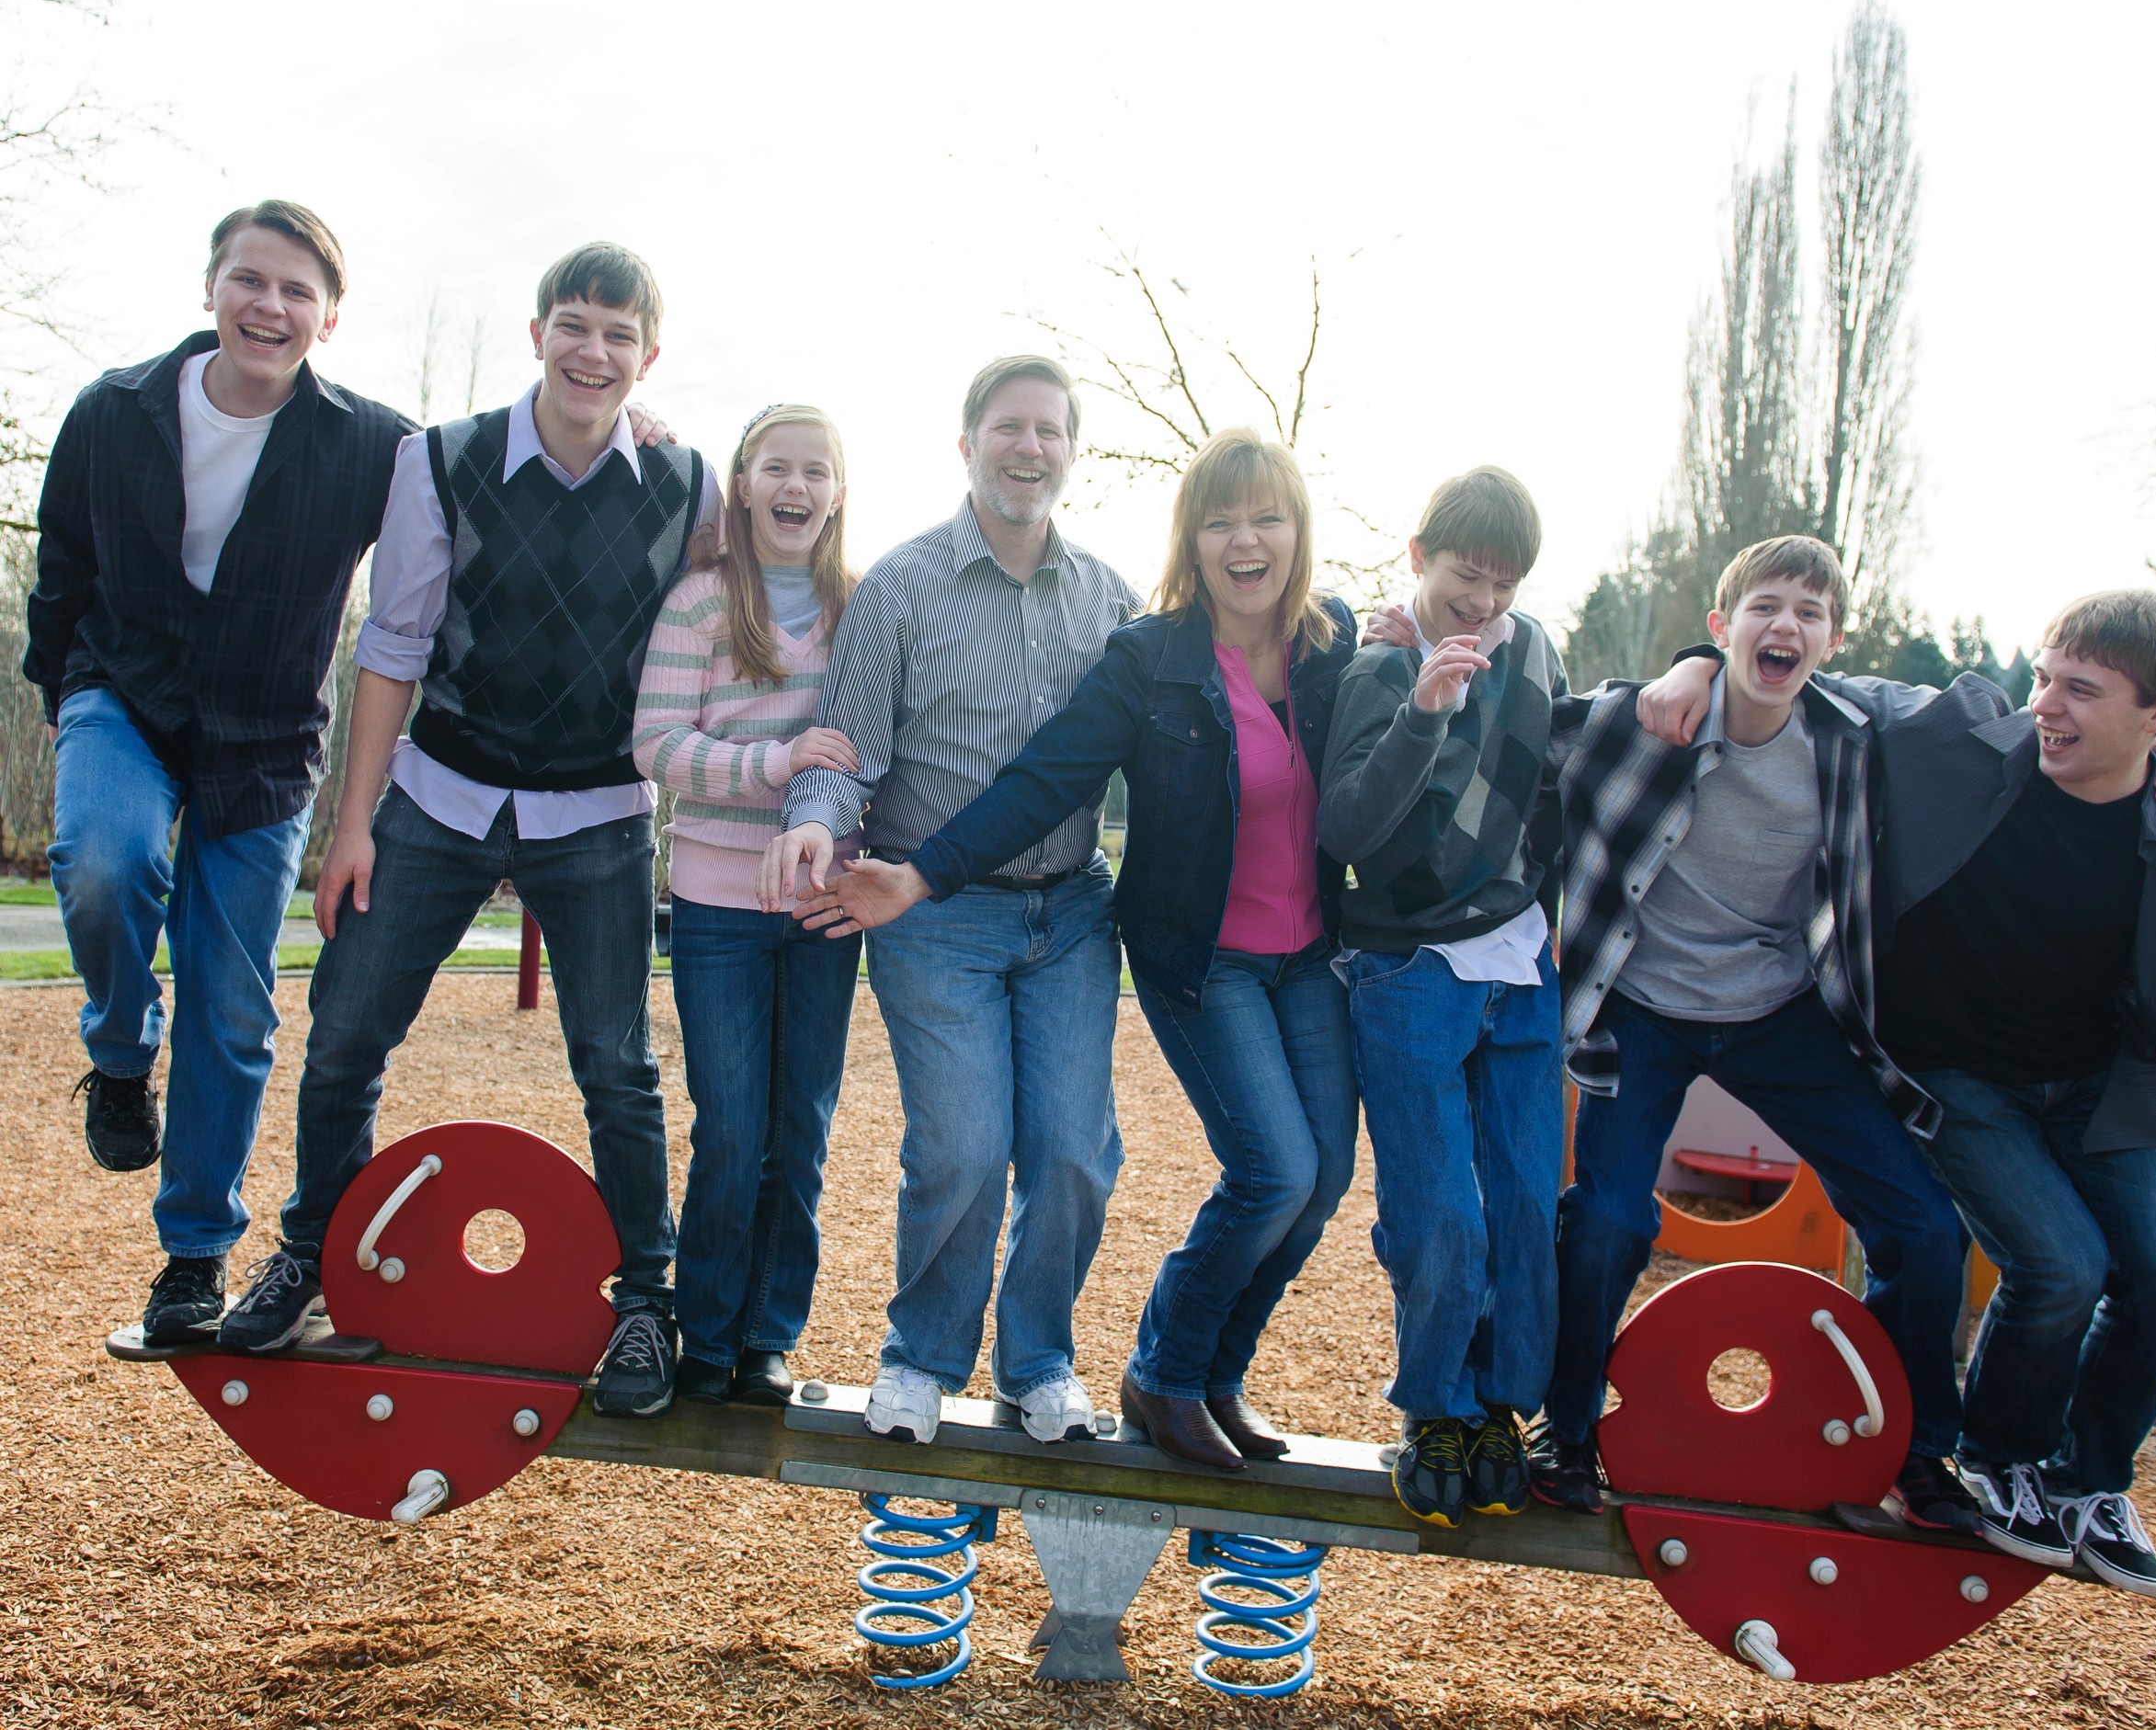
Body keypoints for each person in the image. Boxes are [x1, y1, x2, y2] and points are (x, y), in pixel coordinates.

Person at [1650, 588, 2156, 1595]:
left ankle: (2086, 1479)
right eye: (2043, 676)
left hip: (2094, 1088)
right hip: (1953, 1069)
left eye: (2080, 689)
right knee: (2059, 1265)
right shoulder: (1969, 741)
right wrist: (1694, 659)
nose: (2046, 707)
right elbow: (1794, 668)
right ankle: (2000, 1455)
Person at [219, 243, 719, 1423]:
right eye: (574, 325)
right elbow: (390, 647)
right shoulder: (436, 461)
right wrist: (353, 827)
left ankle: (645, 1296)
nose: (592, 351)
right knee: (343, 1030)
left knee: (618, 1068)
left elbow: (722, 631)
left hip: (599, 811)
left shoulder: (688, 483)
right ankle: (313, 1252)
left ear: (649, 354)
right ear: (538, 333)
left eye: (618, 334)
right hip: (440, 795)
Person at [800, 427, 1359, 1470]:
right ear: (1190, 541)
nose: (1245, 539)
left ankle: (1208, 1375)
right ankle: (1150, 1369)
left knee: (1316, 1178)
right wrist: (922, 874)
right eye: (1220, 519)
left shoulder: (1336, 650)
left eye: (1266, 516)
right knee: (1269, 1167)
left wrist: (1694, 669)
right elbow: (1047, 777)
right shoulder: (1152, 656)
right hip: (1207, 957)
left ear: (1298, 530)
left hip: (1308, 959)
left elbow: (1428, 727)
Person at [24, 201, 412, 1346]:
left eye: (296, 291)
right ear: (210, 289)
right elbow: (59, 570)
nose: (269, 305)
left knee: (236, 1008)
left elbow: (491, 482)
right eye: (250, 280)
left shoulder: (370, 445)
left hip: (264, 740)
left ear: (328, 318)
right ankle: (116, 1047)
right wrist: (65, 704)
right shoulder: (113, 410)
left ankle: (192, 1257)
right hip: (122, 695)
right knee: (103, 857)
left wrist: (626, 427)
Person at [1534, 536, 1975, 1531]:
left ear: (1834, 640)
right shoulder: (1644, 719)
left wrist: (2154, 748)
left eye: (1809, 613)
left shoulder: (1859, 732)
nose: (1786, 627)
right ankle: (1562, 1429)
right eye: (1764, 606)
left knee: (1923, 1224)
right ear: (1719, 627)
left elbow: (1992, 717)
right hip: (1639, 1005)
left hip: (1777, 1010)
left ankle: (1919, 1453)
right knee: (1608, 1219)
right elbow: (1515, 736)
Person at [761, 354, 1139, 1447]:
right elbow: (847, 751)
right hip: (930, 907)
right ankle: (921, 1355)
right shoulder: (902, 585)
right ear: (966, 443)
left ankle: (1039, 1362)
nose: (1029, 448)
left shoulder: (1110, 598)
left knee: (1073, 1149)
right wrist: (816, 818)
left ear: (1072, 451)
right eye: (1007, 428)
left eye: (1049, 431)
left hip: (1071, 907)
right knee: (965, 1147)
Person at [1317, 467, 1571, 1531]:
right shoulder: (1377, 666)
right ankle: (1435, 1405)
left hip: (1517, 955)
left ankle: (1502, 1405)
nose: (1484, 605)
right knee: (1439, 1208)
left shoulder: (1536, 647)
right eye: (1468, 576)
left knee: (1521, 1196)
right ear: (1420, 556)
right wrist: (1422, 707)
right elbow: (1346, 828)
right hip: (1407, 963)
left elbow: (1560, 760)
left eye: (1504, 585)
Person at [631, 404, 862, 1407]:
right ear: (742, 482)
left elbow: (871, 747)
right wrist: (776, 760)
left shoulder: (864, 607)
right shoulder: (699, 604)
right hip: (720, 899)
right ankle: (706, 1327)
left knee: (799, 1127)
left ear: (839, 493)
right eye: (777, 467)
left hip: (821, 902)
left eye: (816, 470)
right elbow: (658, 747)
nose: (796, 486)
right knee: (731, 1125)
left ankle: (769, 1335)